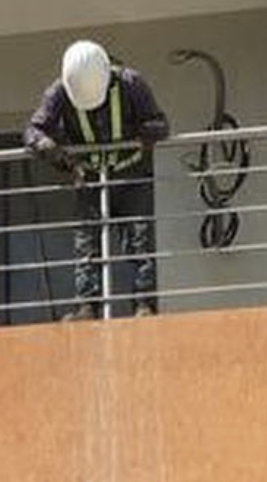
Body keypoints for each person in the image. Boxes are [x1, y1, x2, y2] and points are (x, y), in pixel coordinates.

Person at [24, 40, 170, 319]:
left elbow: (161, 123)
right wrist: (48, 148)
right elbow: (33, 130)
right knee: (86, 243)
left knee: (139, 239)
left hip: (131, 174)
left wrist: (146, 133)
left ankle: (144, 305)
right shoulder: (60, 91)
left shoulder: (131, 83)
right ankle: (87, 307)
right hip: (89, 177)